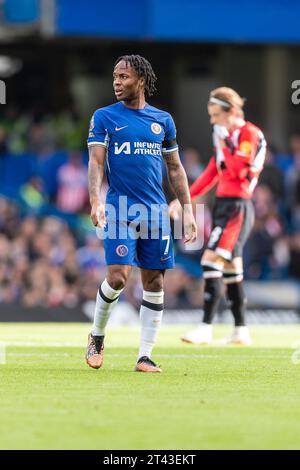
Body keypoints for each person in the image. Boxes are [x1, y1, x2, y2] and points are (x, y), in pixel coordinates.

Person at [86, 55, 197, 372]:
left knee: (155, 283)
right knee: (118, 276)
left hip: (156, 212)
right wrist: (95, 200)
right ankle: (97, 335)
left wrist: (187, 210)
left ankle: (144, 355)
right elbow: (95, 162)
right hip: (120, 208)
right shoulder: (104, 117)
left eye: (123, 76)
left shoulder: (162, 120)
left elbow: (175, 168)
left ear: (141, 80)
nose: (117, 82)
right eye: (114, 77)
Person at [170, 87, 266, 345]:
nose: (212, 121)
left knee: (210, 260)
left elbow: (236, 170)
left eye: (215, 115)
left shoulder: (249, 134)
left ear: (231, 111)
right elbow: (213, 172)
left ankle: (206, 326)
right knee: (232, 269)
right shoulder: (226, 137)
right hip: (224, 206)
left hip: (238, 206)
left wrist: (224, 144)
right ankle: (240, 329)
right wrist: (184, 200)